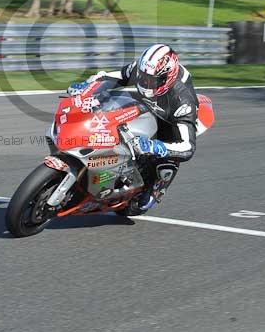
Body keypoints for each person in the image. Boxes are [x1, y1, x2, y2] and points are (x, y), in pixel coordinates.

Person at [68, 44, 199, 213]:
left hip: (170, 118)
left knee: (164, 160)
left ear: (167, 77)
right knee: (110, 106)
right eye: (144, 77)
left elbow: (188, 147)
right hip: (147, 105)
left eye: (152, 80)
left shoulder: (184, 100)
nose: (146, 82)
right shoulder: (142, 68)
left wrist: (154, 146)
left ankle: (156, 189)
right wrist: (87, 88)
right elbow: (116, 77)